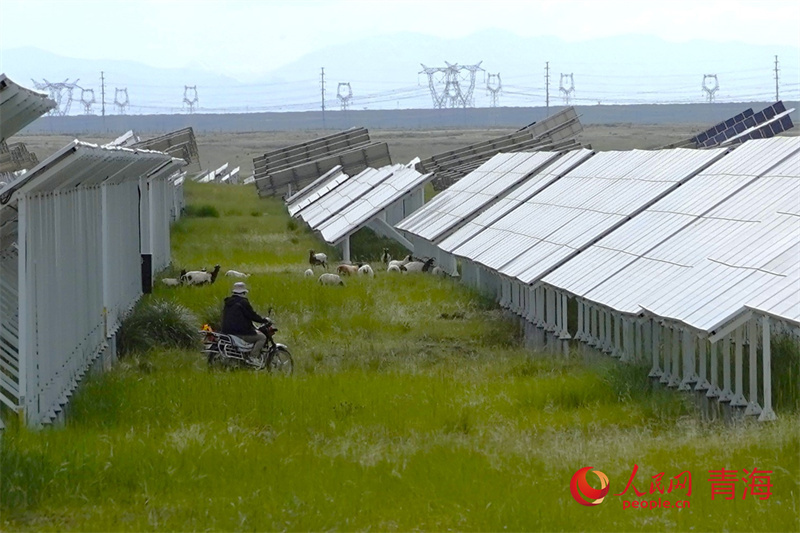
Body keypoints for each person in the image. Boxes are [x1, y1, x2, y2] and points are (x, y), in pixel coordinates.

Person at [221, 282, 270, 361]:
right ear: (243, 293)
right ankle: (253, 357)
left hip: (226, 331)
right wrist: (263, 320)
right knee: (262, 337)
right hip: (240, 333)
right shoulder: (243, 302)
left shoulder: (228, 303)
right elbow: (252, 315)